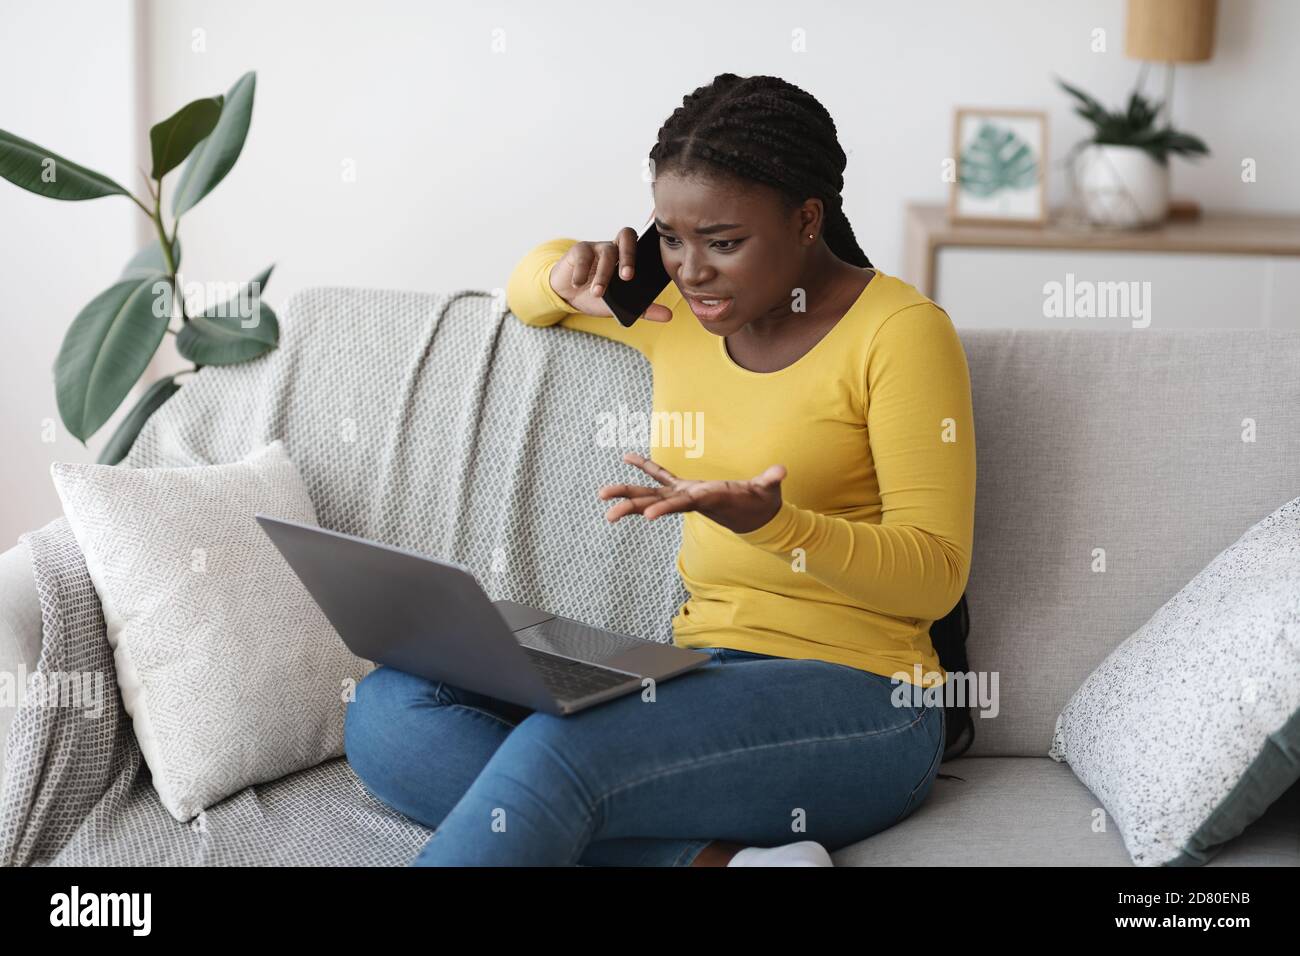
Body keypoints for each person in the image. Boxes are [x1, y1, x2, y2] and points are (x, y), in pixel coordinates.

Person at [343, 72, 975, 867]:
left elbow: (937, 576)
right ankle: (721, 862)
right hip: (698, 668)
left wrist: (775, 526)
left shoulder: (902, 332)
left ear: (807, 218)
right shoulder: (681, 313)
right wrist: (563, 277)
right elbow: (529, 287)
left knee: (557, 753)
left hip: (866, 700)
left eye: (723, 241)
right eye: (671, 238)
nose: (691, 269)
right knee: (390, 710)